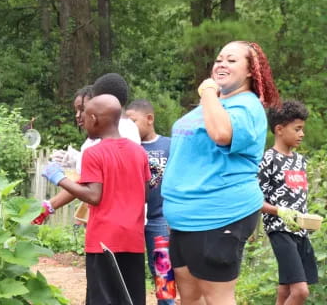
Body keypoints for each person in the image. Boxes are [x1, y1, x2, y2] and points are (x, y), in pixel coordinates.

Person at [161, 41, 280, 305]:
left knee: (217, 299)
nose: (221, 64)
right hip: (185, 219)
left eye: (231, 60)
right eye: (218, 59)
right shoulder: (212, 104)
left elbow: (222, 134)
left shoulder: (247, 106)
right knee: (190, 297)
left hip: (218, 215)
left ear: (251, 70)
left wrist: (208, 92)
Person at [42, 94, 150, 305]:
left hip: (104, 241)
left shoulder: (93, 153)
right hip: (134, 239)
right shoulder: (139, 152)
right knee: (131, 298)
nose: (81, 119)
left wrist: (59, 178)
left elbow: (93, 195)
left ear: (94, 118)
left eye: (84, 115)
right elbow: (145, 194)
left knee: (102, 298)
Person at [32, 73, 140, 224]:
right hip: (127, 220)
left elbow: (93, 191)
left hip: (109, 221)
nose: (79, 116)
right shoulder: (128, 134)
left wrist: (58, 183)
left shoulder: (114, 139)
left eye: (85, 109)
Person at [259, 100, 317, 305]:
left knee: (285, 290)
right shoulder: (268, 159)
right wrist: (280, 212)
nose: (302, 134)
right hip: (280, 230)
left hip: (300, 232)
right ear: (279, 129)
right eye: (297, 129)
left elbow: (299, 197)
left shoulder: (301, 160)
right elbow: (255, 200)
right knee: (300, 291)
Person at [126, 99, 174, 305]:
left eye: (133, 121)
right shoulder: (127, 147)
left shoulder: (169, 145)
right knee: (131, 270)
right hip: (132, 220)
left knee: (162, 271)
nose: (129, 127)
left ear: (150, 119)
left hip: (160, 219)